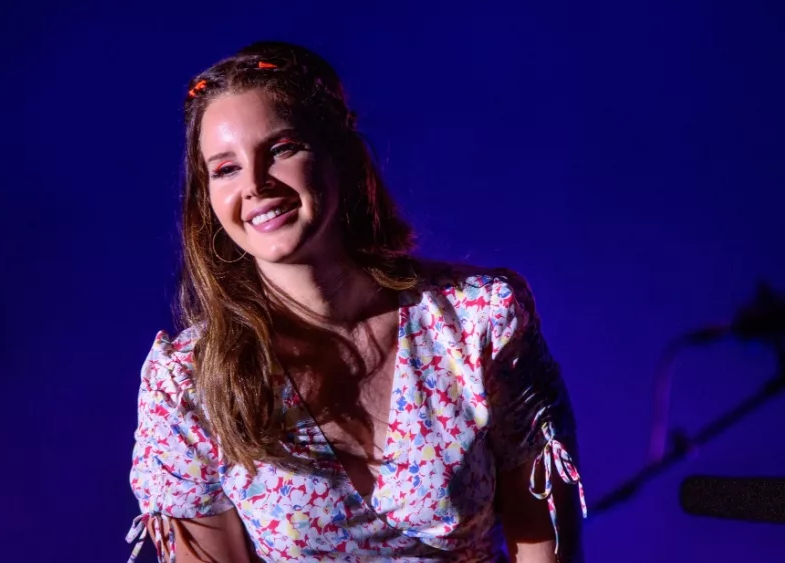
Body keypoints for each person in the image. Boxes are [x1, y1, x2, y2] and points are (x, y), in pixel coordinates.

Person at [127, 41, 586, 563]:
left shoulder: (478, 320)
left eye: (280, 149)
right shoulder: (187, 380)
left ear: (339, 156)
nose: (255, 184)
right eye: (226, 168)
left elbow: (544, 545)